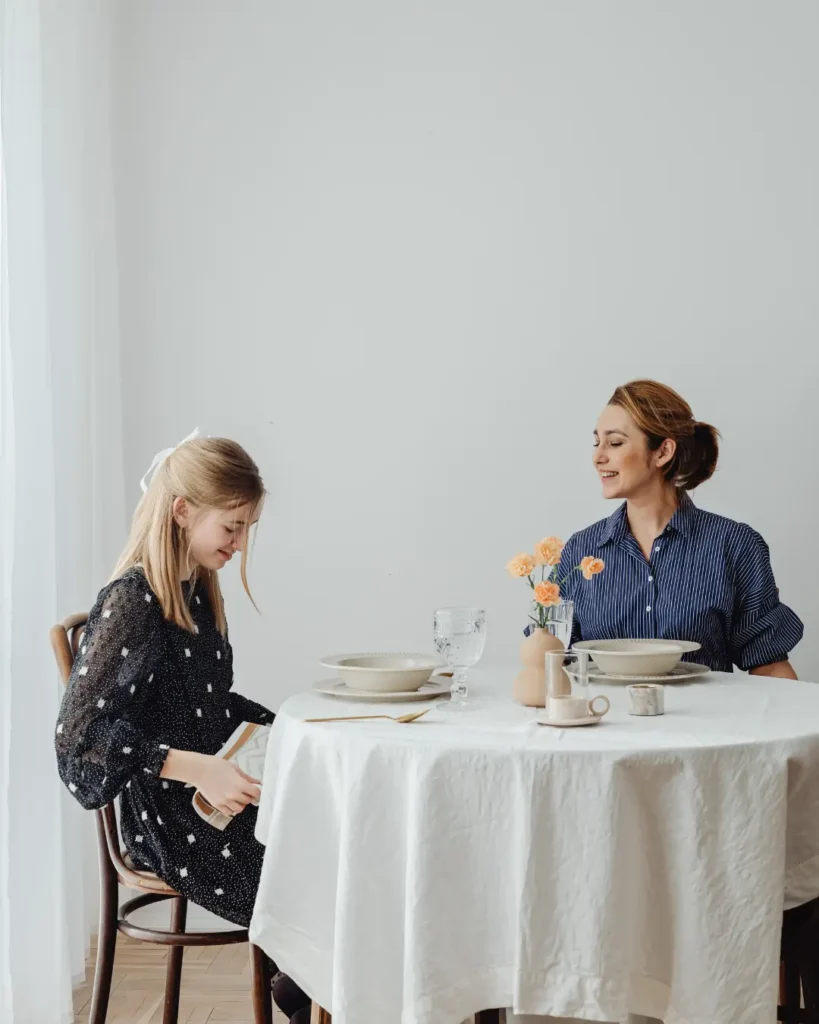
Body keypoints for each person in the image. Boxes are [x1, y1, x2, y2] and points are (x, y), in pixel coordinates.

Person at [55, 434, 311, 1023]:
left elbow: (208, 704)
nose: (241, 543)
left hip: (210, 795)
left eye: (247, 528)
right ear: (183, 512)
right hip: (166, 816)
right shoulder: (132, 602)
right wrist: (197, 768)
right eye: (233, 527)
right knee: (311, 857)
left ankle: (304, 988)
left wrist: (291, 727)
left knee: (330, 824)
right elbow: (78, 736)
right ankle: (307, 989)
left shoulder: (197, 594)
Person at [558, 379, 803, 676]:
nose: (598, 457)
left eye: (615, 442)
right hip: (607, 719)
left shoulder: (734, 545)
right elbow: (556, 664)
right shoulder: (580, 551)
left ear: (663, 452)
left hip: (708, 721)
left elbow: (770, 663)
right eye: (597, 442)